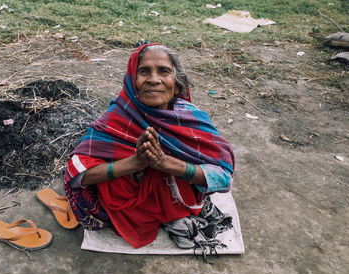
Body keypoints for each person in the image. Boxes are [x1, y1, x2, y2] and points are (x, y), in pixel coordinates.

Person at [63, 43, 234, 248]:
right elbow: (76, 174)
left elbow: (224, 179)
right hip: (133, 209)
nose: (154, 79)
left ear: (177, 84)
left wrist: (166, 163)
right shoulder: (117, 118)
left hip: (178, 199)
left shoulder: (192, 119)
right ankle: (164, 216)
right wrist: (134, 163)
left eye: (164, 71)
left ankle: (173, 214)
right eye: (144, 71)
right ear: (131, 82)